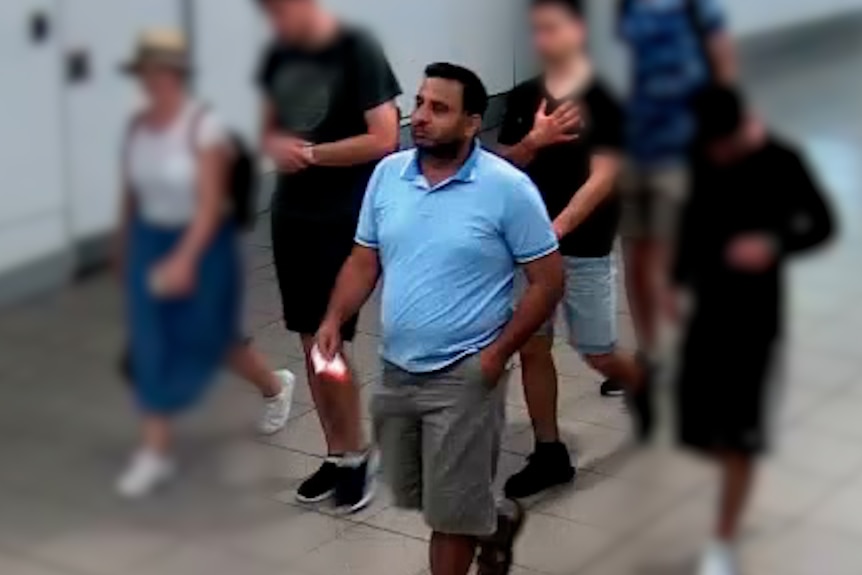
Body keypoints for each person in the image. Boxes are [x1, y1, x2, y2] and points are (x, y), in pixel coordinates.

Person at [316, 63, 564, 575]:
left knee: (446, 521)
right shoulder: (389, 175)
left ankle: (471, 526)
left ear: (473, 122)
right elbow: (365, 258)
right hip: (397, 367)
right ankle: (493, 522)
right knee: (421, 494)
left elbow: (548, 281)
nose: (420, 117)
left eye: (439, 108)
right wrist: (334, 318)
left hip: (467, 374)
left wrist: (496, 357)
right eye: (420, 103)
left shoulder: (508, 189)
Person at [115, 29, 295, 498]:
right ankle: (154, 453)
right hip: (154, 242)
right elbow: (132, 194)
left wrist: (185, 261)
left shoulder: (203, 130)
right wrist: (125, 246)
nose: (150, 82)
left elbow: (212, 205)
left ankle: (275, 386)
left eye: (158, 72)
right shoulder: (138, 127)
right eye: (145, 73)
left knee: (219, 343)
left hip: (203, 245)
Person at [672, 85, 834, 575]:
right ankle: (728, 471)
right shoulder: (702, 156)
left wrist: (774, 244)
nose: (714, 154)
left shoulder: (783, 161)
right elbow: (692, 220)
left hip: (755, 319)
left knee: (740, 430)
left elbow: (824, 224)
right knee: (697, 424)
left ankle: (723, 537)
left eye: (721, 145)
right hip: (707, 312)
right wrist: (678, 279)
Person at [255, 0, 401, 512]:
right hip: (291, 213)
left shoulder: (355, 49)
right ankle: (337, 451)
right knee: (310, 339)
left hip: (342, 216)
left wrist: (313, 155)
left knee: (329, 338)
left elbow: (384, 137)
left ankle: (358, 453)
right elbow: (267, 128)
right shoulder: (278, 54)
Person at [496, 0, 645, 499]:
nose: (542, 39)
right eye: (536, 29)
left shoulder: (605, 101)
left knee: (596, 349)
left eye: (552, 28)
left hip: (581, 247)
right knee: (533, 345)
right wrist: (532, 142)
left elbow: (604, 177)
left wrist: (554, 231)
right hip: (529, 255)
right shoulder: (523, 97)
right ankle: (549, 451)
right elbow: (504, 168)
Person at [615, 0, 738, 399]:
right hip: (636, 147)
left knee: (674, 261)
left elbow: (723, 64)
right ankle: (651, 355)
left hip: (684, 148)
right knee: (636, 255)